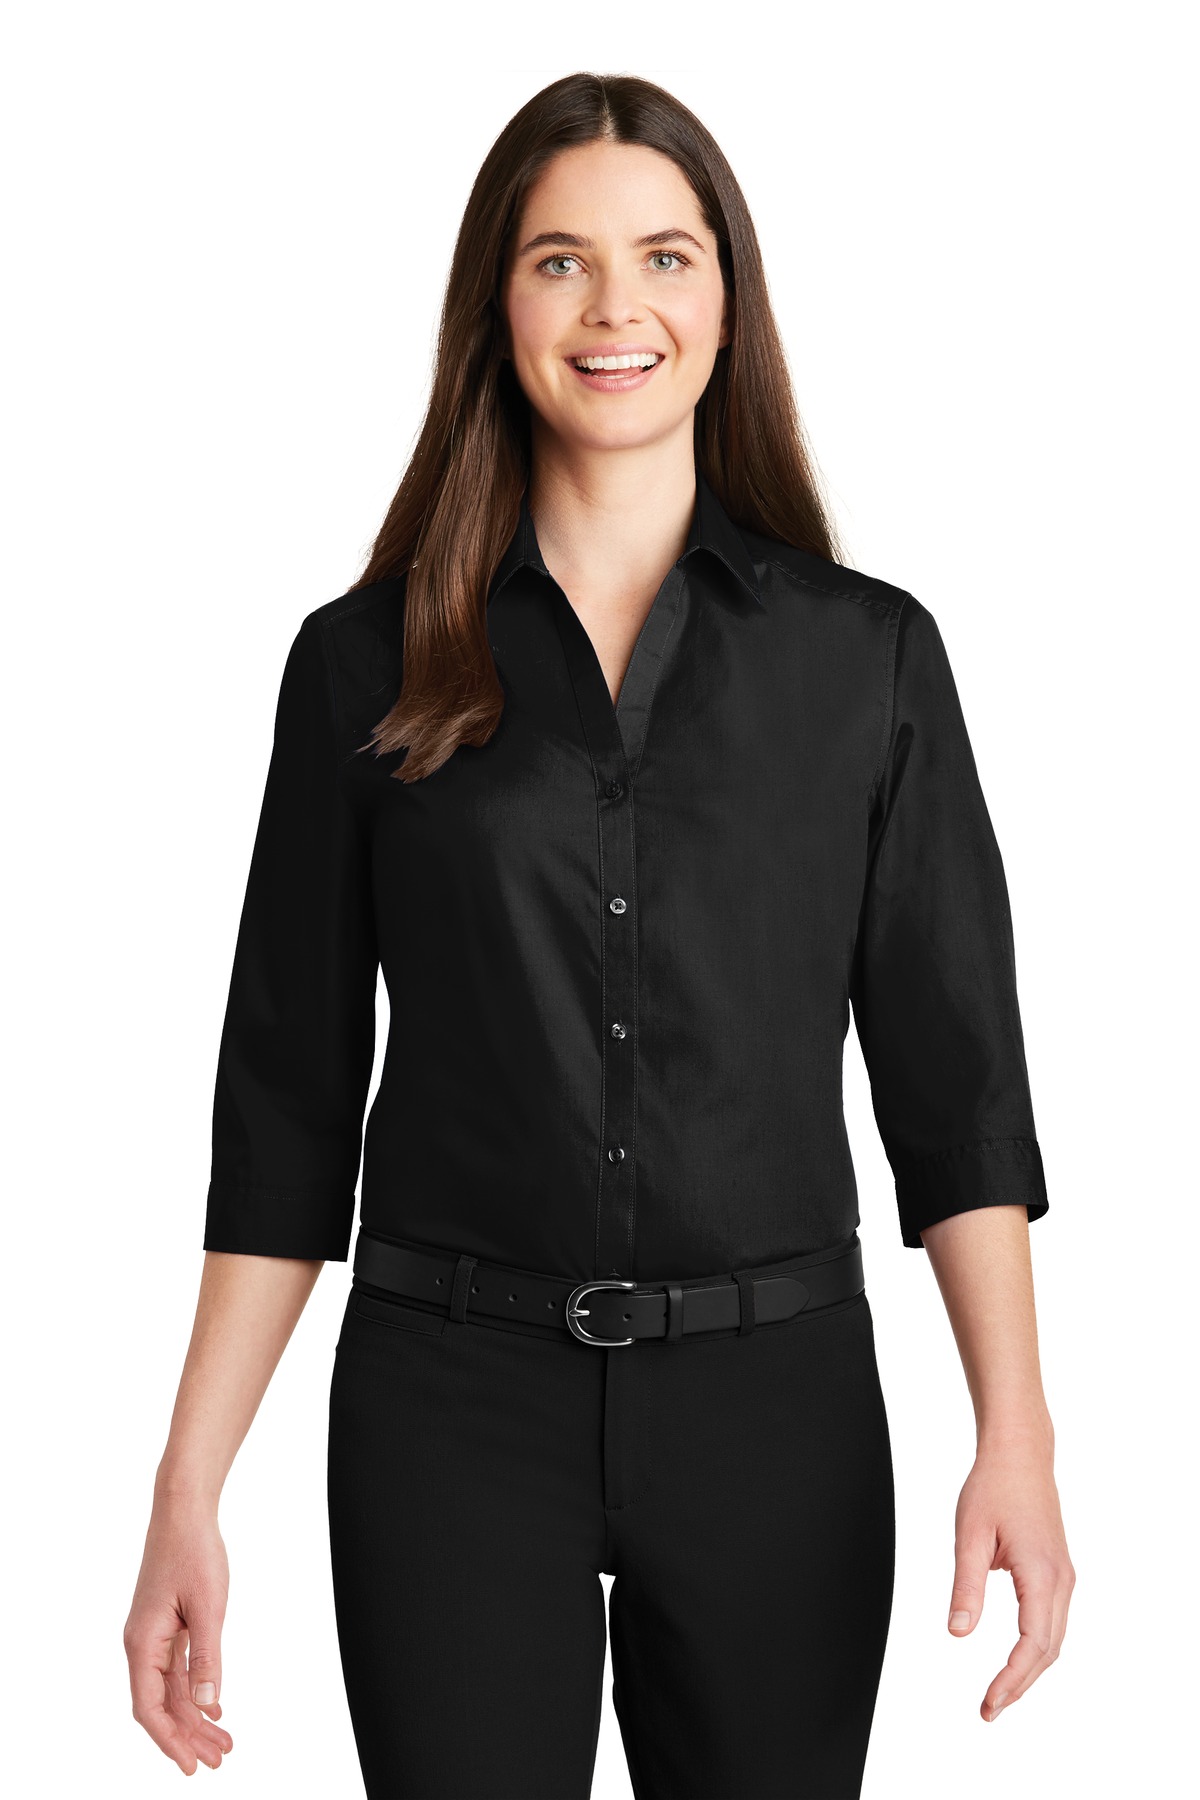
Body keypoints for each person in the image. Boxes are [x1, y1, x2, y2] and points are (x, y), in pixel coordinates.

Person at [124, 70, 1075, 1799]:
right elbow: (283, 1114)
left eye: (665, 257)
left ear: (729, 299)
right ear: (498, 306)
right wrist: (188, 1484)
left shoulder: (867, 662)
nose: (615, 307)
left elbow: (958, 1091)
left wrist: (1016, 1431)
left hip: (777, 1408)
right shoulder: (361, 665)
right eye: (559, 260)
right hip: (449, 1410)